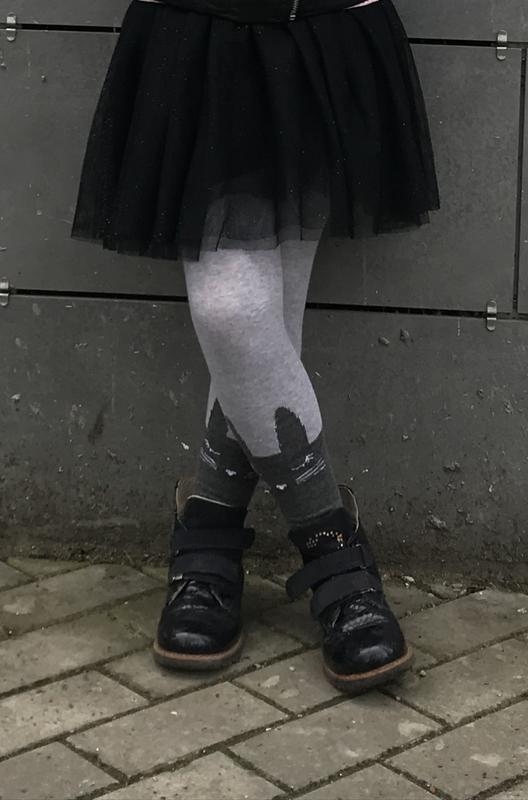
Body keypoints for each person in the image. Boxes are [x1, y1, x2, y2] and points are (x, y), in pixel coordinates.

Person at [71, 0, 440, 695]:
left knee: (270, 322)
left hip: (323, 29)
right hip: (201, 31)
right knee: (235, 311)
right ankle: (330, 537)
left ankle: (210, 524)